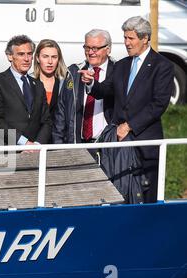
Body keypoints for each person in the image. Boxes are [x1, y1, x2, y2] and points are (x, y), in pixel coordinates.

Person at [80, 16, 174, 203]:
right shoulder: (122, 65)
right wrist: (91, 84)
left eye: (131, 38)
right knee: (119, 196)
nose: (126, 43)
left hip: (144, 144)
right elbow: (107, 90)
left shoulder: (162, 66)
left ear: (145, 38)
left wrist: (129, 126)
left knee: (147, 197)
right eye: (125, 38)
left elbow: (158, 105)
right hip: (119, 145)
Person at [53, 29, 115, 144]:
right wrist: (58, 144)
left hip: (108, 144)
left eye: (95, 48)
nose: (90, 52)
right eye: (87, 48)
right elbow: (61, 111)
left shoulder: (118, 71)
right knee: (12, 162)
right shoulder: (74, 72)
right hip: (77, 143)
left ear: (108, 49)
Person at [0, 35, 52, 147]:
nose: (26, 59)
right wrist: (24, 142)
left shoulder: (38, 85)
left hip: (36, 151)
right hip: (9, 150)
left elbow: (46, 121)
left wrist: (37, 144)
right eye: (21, 54)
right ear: (10, 56)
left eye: (29, 54)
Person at [33, 39, 67, 121]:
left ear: (58, 59)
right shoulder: (29, 82)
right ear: (37, 58)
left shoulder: (64, 84)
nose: (50, 61)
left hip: (58, 132)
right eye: (45, 57)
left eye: (54, 57)